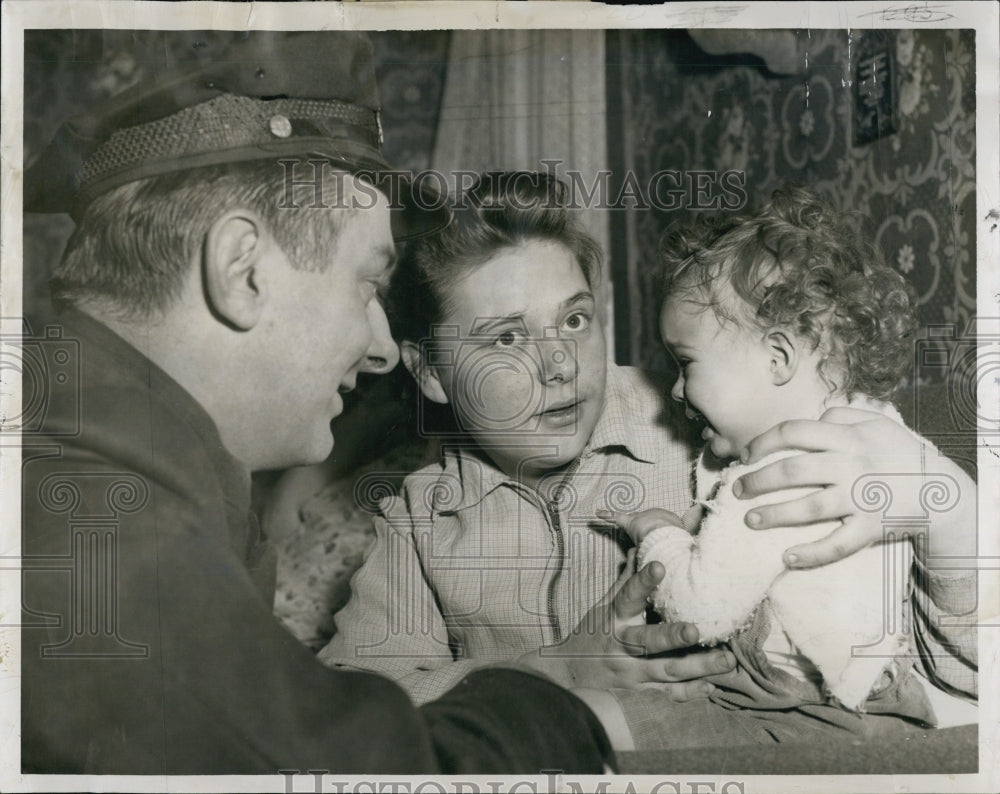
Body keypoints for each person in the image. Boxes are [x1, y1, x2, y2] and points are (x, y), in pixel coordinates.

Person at [19, 31, 649, 775]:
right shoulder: (114, 538)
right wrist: (567, 704)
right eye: (366, 285)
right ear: (242, 272)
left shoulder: (96, 459)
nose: (382, 348)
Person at [320, 172, 734, 705]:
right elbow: (349, 702)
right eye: (508, 338)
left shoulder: (703, 427)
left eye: (575, 320)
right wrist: (550, 673)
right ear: (430, 373)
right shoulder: (419, 520)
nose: (560, 364)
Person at [602, 185, 978, 749]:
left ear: (778, 357)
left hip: (787, 706)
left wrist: (657, 533)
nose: (675, 391)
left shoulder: (775, 473)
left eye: (686, 364)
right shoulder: (882, 433)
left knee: (596, 729)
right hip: (880, 701)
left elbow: (701, 608)